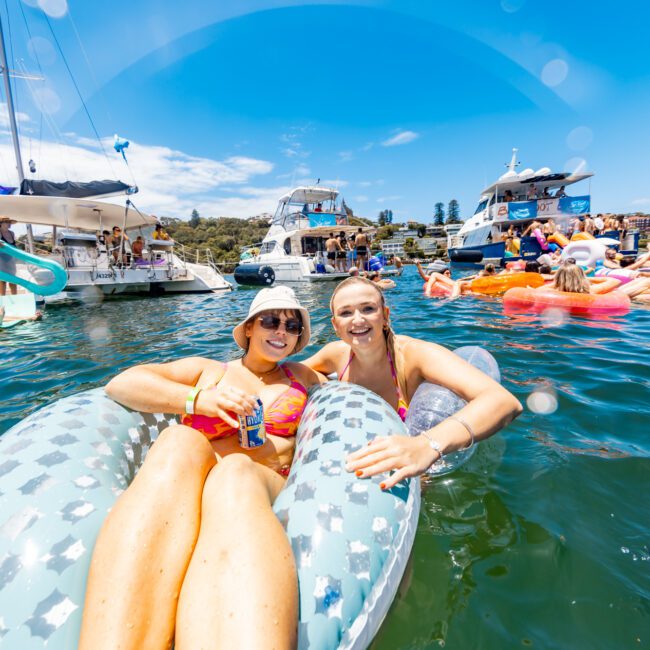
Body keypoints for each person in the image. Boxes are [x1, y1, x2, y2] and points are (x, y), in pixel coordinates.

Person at [79, 287, 323, 650]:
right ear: (250, 328)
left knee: (234, 472)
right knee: (179, 440)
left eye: (292, 327)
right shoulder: (208, 372)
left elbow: (344, 372)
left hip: (254, 481)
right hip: (190, 486)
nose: (281, 332)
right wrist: (198, 400)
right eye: (271, 321)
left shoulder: (302, 377)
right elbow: (122, 384)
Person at [303, 277, 522, 489]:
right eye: (345, 313)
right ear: (335, 325)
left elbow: (504, 402)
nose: (358, 319)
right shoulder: (336, 355)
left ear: (385, 315)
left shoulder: (415, 356)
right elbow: (289, 375)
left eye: (368, 309)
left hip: (421, 471)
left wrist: (426, 445)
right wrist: (321, 383)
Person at [0, 217, 18, 296]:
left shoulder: (12, 233)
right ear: (1, 224)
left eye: (9, 222)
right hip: (1, 260)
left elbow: (14, 247)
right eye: (7, 222)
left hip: (11, 259)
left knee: (13, 280)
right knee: (2, 280)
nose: (9, 224)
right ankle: (2, 302)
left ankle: (15, 299)